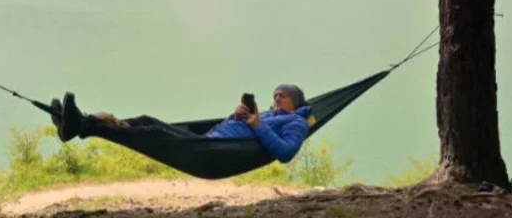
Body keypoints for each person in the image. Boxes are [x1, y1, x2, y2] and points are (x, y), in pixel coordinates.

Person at [49, 84, 314, 163]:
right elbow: (237, 128)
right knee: (145, 120)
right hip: (207, 141)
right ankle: (78, 124)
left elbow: (286, 153)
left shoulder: (295, 122)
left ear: (295, 102)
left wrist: (257, 125)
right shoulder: (267, 114)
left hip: (212, 152)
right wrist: (236, 116)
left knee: (153, 132)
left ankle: (79, 126)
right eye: (274, 95)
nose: (276, 99)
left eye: (282, 96)